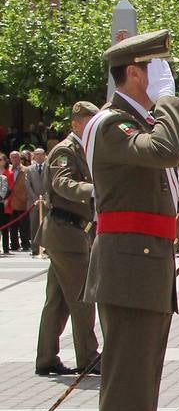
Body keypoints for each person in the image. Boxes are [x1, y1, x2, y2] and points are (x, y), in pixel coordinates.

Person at [82, 29, 179, 411]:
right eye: (155, 69)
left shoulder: (133, 123)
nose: (162, 78)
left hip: (144, 270)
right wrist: (169, 103)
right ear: (133, 73)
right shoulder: (112, 125)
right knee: (127, 391)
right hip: (129, 272)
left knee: (140, 392)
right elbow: (166, 150)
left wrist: (162, 105)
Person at [35, 101, 100, 377]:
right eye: (89, 122)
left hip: (72, 233)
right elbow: (63, 183)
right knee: (83, 298)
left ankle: (47, 357)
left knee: (58, 300)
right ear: (75, 123)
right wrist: (94, 190)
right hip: (65, 233)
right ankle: (89, 357)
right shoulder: (65, 150)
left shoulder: (86, 150)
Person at [27, 148, 49, 256]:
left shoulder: (49, 167)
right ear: (34, 157)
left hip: (46, 202)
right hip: (34, 202)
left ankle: (46, 248)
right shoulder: (30, 169)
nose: (39, 157)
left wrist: (44, 197)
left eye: (40, 155)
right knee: (34, 226)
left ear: (45, 155)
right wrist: (35, 198)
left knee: (46, 226)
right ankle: (35, 248)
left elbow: (51, 184)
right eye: (36, 155)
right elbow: (28, 185)